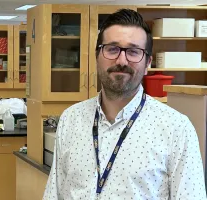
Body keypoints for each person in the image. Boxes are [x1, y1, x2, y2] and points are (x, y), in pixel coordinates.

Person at [43, 9, 206, 200]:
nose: (121, 61)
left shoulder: (176, 129)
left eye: (133, 51)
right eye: (112, 49)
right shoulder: (71, 119)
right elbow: (55, 194)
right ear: (97, 56)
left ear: (147, 63)